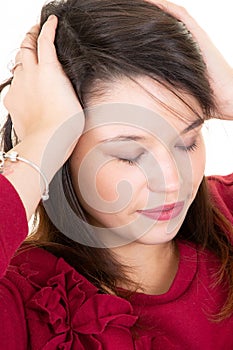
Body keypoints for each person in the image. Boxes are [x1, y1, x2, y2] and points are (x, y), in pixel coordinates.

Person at [0, 0, 232, 348]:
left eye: (186, 143)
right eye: (129, 155)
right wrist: (39, 142)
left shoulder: (226, 211)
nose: (173, 181)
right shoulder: (22, 299)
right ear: (64, 154)